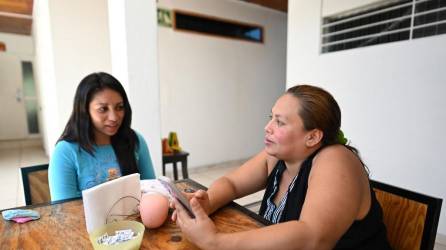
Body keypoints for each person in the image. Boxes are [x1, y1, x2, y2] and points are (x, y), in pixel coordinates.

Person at [171, 85, 391, 249]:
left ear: (313, 137)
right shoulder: (280, 155)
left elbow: (312, 238)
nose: (268, 127)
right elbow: (232, 183)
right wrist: (208, 202)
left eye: (280, 122)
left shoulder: (336, 161)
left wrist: (214, 242)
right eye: (271, 118)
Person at [49, 72, 156, 201]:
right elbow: (64, 210)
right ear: (84, 110)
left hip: (134, 220)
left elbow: (152, 191)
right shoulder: (66, 151)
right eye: (103, 109)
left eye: (119, 107)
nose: (114, 117)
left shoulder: (135, 140)